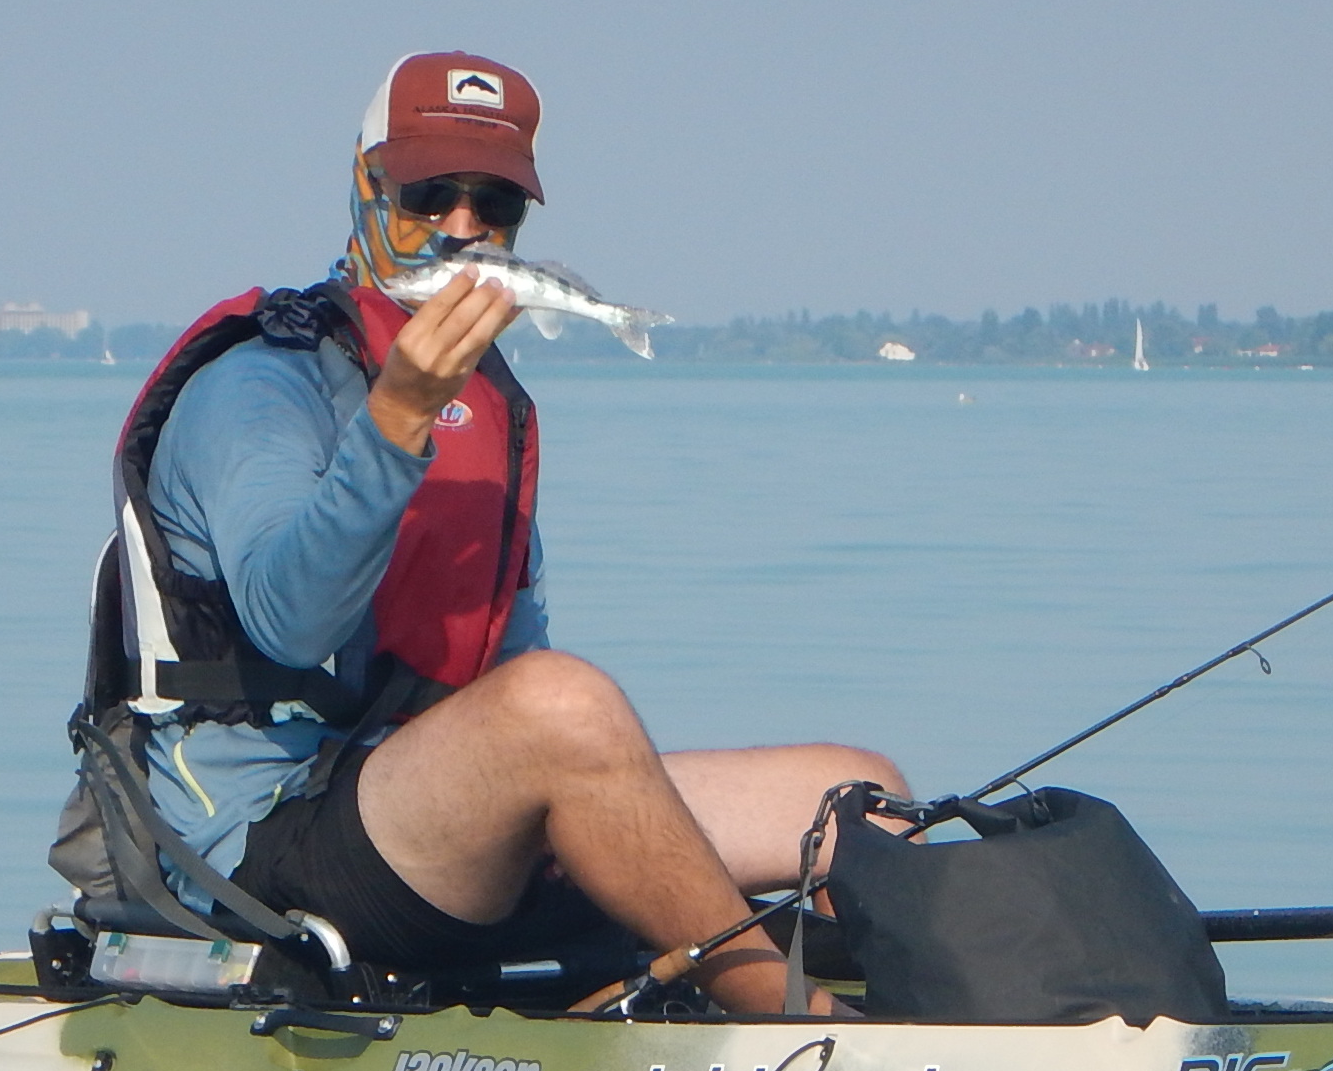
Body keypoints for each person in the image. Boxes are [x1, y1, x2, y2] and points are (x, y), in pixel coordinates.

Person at [71, 51, 905, 1016]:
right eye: (429, 193)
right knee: (563, 705)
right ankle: (809, 1031)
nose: (461, 226)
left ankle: (955, 1021)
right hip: (255, 841)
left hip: (433, 821)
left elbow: (509, 670)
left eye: (493, 204)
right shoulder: (259, 387)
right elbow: (287, 626)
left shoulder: (493, 410)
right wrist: (396, 422)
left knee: (859, 797)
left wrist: (591, 816)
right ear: (366, 186)